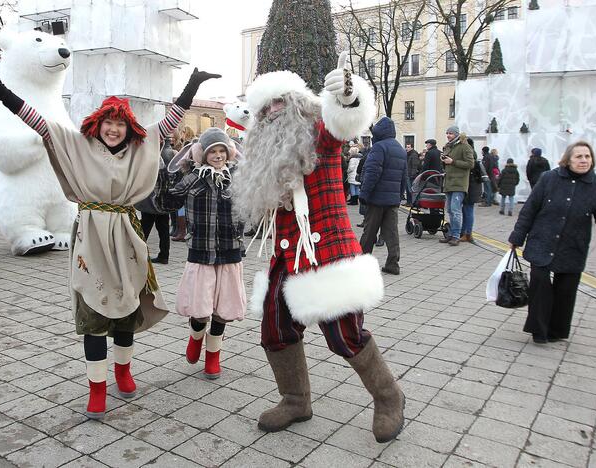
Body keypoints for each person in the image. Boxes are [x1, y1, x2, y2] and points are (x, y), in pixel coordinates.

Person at [0, 65, 218, 419]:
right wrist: (0, 89)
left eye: (120, 124)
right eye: (108, 122)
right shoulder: (77, 145)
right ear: (97, 125)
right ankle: (96, 389)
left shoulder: (140, 147)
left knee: (127, 311)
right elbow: (35, 119)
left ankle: (123, 370)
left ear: (129, 128)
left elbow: (170, 121)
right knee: (93, 313)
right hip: (91, 238)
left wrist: (192, 84)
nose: (114, 129)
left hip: (127, 238)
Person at [233, 56, 405, 443]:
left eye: (278, 105)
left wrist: (348, 93)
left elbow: (342, 121)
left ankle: (388, 396)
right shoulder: (265, 153)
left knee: (345, 335)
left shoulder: (317, 134)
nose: (272, 115)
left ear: (298, 104)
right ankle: (296, 400)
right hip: (287, 255)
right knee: (274, 329)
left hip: (327, 251)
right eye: (264, 111)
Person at [509, 141, 596, 344]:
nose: (583, 160)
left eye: (587, 157)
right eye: (579, 156)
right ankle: (539, 330)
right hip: (542, 241)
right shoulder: (549, 179)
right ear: (568, 159)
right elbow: (530, 209)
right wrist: (517, 237)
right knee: (540, 284)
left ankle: (556, 330)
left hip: (573, 245)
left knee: (566, 290)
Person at [167, 128, 246, 379]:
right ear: (203, 154)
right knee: (200, 310)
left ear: (229, 152)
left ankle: (213, 357)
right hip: (201, 251)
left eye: (222, 150)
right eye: (213, 151)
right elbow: (169, 199)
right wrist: (184, 173)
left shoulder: (238, 177)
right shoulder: (194, 177)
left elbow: (251, 206)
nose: (219, 155)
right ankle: (195, 335)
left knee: (222, 311)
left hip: (230, 251)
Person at [359, 116, 407, 275]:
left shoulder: (379, 148)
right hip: (392, 200)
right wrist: (398, 197)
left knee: (369, 233)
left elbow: (372, 173)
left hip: (377, 199)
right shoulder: (400, 149)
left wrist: (364, 194)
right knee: (392, 234)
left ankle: (362, 262)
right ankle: (393, 263)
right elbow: (403, 177)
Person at [134, 139, 173, 264]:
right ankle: (164, 255)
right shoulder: (171, 153)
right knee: (163, 229)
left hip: (150, 198)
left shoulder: (153, 154)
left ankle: (137, 255)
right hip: (164, 199)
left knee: (144, 228)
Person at [440, 126, 474, 246]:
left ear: (456, 134)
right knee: (449, 210)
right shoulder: (449, 146)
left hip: (459, 183)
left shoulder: (464, 146)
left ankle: (456, 236)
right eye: (447, 133)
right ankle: (452, 234)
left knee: (455, 210)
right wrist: (444, 160)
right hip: (449, 183)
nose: (448, 135)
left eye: (450, 133)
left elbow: (470, 163)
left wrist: (453, 162)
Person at [461, 138, 484, 243]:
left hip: (471, 188)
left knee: (468, 211)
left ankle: (467, 233)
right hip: (474, 188)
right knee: (466, 210)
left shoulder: (471, 159)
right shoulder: (474, 157)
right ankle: (465, 232)